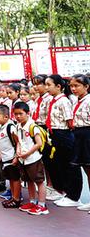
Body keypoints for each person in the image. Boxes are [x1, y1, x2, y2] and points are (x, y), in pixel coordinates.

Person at [46, 74, 83, 208]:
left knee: (70, 165)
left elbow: (69, 121)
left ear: (58, 86)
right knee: (60, 164)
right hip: (55, 133)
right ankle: (66, 192)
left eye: (48, 85)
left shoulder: (64, 101)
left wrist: (67, 135)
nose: (46, 88)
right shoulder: (54, 100)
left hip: (64, 134)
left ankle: (74, 196)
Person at [13, 102, 48, 215]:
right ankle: (32, 202)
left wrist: (27, 153)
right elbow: (19, 141)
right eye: (16, 114)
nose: (18, 116)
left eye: (21, 114)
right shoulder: (18, 126)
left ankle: (42, 205)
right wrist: (18, 151)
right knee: (29, 181)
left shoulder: (33, 127)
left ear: (28, 113)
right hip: (23, 159)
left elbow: (38, 143)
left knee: (39, 181)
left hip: (33, 158)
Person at [0, 104, 21, 208]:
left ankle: (17, 199)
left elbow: (18, 142)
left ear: (6, 117)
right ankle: (13, 197)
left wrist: (16, 156)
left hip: (11, 157)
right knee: (10, 178)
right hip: (5, 157)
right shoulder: (2, 126)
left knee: (15, 178)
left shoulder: (11, 127)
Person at [69, 74, 90, 211]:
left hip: (88, 134)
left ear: (86, 86)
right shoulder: (76, 100)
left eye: (77, 86)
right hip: (78, 135)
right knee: (86, 168)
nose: (73, 89)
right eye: (71, 86)